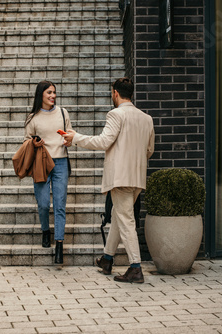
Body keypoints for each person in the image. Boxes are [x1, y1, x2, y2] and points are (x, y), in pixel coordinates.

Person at [63, 77, 155, 283]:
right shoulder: (146, 118)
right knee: (118, 215)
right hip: (137, 177)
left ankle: (135, 268)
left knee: (125, 220)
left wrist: (75, 137)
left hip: (120, 178)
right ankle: (107, 258)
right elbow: (149, 150)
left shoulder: (115, 114)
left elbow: (104, 141)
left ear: (115, 93)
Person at [24, 80, 72, 265]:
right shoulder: (32, 118)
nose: (53, 96)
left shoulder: (62, 112)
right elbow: (26, 141)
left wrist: (69, 140)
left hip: (60, 161)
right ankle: (46, 230)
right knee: (43, 203)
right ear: (41, 95)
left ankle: (59, 245)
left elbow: (70, 133)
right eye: (49, 93)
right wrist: (33, 143)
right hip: (41, 162)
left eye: (54, 92)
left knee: (59, 204)